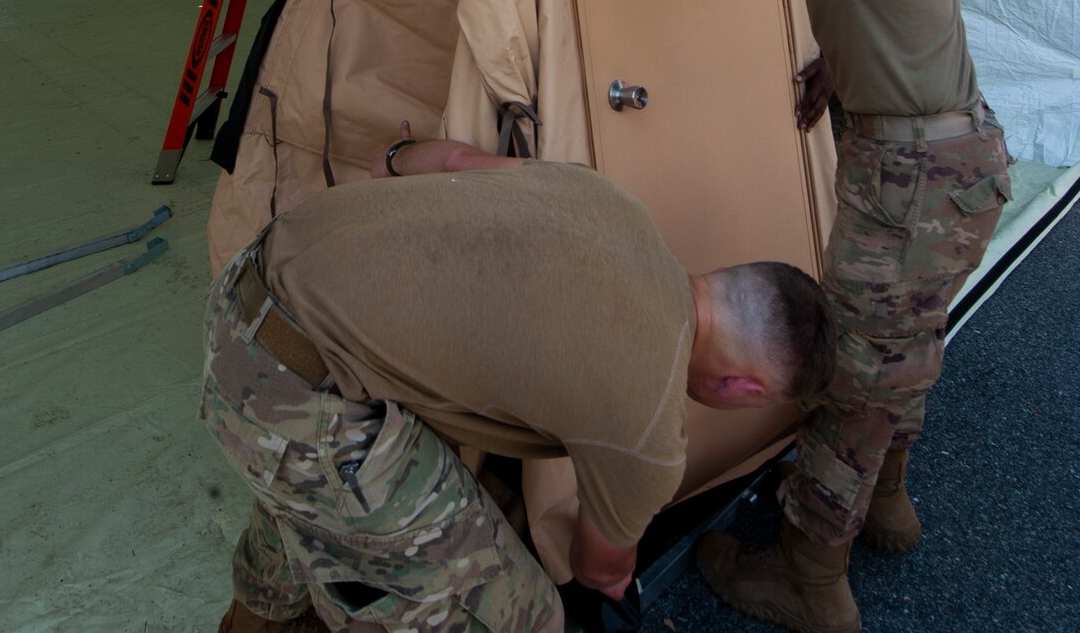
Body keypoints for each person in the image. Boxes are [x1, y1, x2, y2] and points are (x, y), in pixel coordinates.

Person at [507, 0, 1006, 633]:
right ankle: (890, 507)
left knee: (856, 368)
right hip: (948, 159)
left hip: (910, 181)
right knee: (906, 344)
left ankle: (813, 579)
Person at [205, 128, 838, 633]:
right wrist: (618, 580)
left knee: (320, 498)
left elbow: (448, 157)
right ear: (744, 392)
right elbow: (599, 568)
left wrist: (393, 157)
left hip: (249, 285)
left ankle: (264, 606)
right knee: (529, 616)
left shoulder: (611, 200)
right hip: (291, 395)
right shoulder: (651, 435)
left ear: (725, 274)